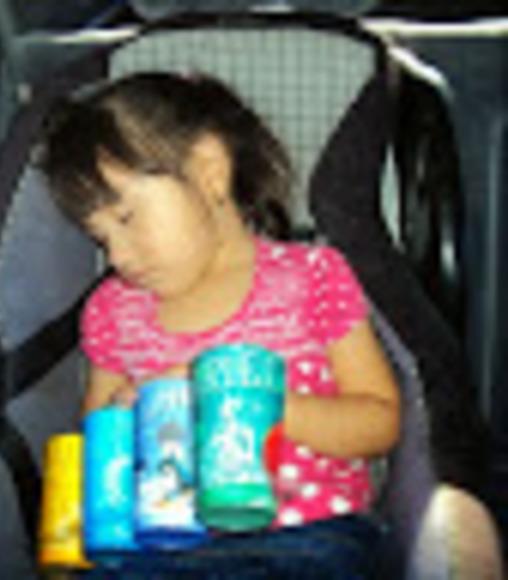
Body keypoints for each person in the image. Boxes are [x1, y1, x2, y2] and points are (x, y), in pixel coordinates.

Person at [40, 71, 401, 578]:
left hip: (307, 536)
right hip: (158, 547)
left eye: (126, 219)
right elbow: (99, 448)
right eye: (100, 238)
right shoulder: (113, 310)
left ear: (210, 170)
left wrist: (250, 402)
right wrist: (129, 414)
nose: (118, 256)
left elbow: (380, 424)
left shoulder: (310, 278)